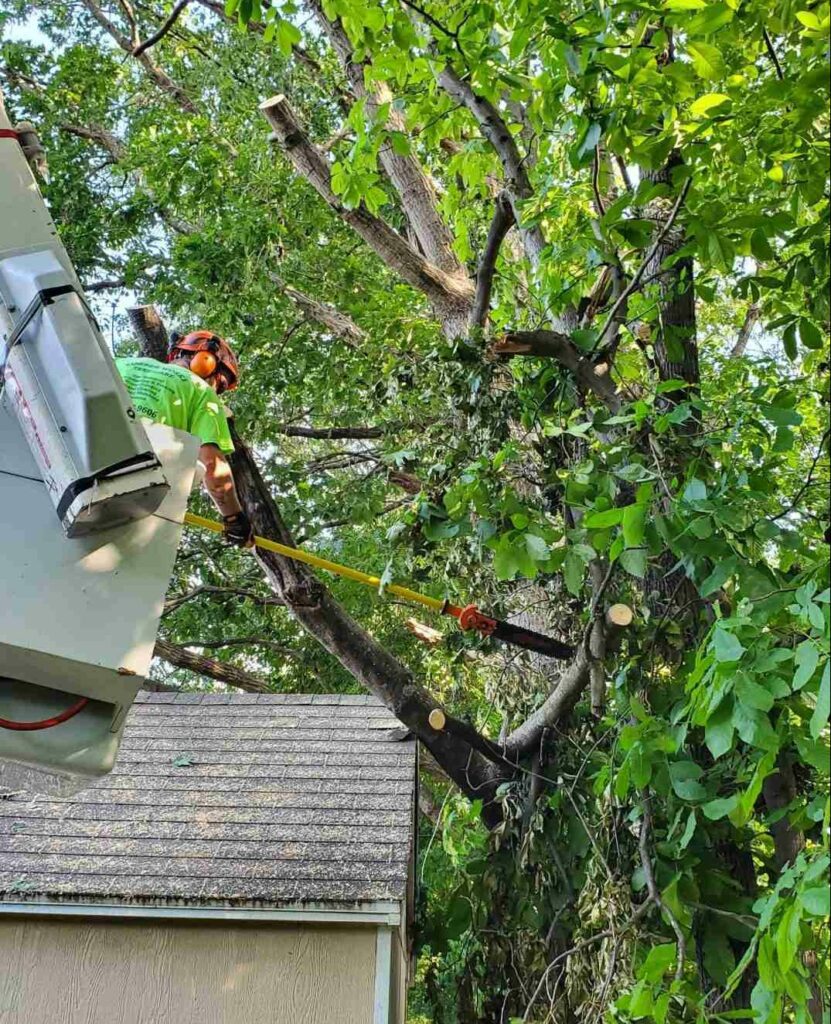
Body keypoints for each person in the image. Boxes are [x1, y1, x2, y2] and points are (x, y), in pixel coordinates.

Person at [115, 330, 254, 547]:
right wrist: (234, 519)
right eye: (221, 384)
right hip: (133, 487)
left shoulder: (121, 363)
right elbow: (212, 467)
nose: (217, 391)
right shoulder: (202, 393)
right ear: (206, 363)